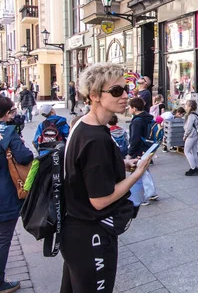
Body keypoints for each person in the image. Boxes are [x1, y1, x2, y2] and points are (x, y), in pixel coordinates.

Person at [60, 63, 151, 292]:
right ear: (94, 96)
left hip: (76, 230)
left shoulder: (83, 123)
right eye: (116, 91)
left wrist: (121, 163)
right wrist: (137, 173)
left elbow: (85, 167)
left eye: (126, 89)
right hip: (92, 234)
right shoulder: (96, 138)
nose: (125, 96)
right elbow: (100, 200)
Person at [0, 97, 34, 292]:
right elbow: (24, 156)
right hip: (5, 195)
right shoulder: (7, 132)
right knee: (3, 239)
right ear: (5, 114)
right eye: (11, 111)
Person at [128, 97, 158, 206]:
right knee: (145, 170)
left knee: (140, 173)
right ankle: (153, 192)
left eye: (130, 107)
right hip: (149, 147)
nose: (128, 109)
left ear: (134, 108)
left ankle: (144, 196)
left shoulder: (137, 121)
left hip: (139, 149)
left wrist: (130, 153)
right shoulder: (149, 118)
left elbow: (135, 139)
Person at [183, 100, 198, 176]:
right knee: (194, 151)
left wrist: (185, 136)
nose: (185, 107)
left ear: (189, 106)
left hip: (191, 135)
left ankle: (193, 168)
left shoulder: (191, 116)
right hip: (196, 135)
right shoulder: (196, 114)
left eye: (186, 105)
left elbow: (189, 128)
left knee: (186, 151)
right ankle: (195, 167)